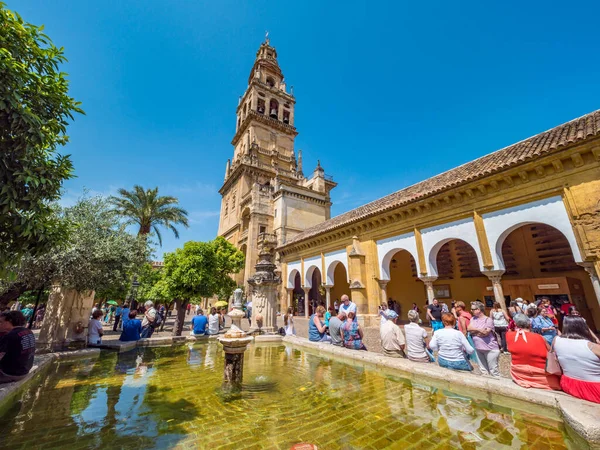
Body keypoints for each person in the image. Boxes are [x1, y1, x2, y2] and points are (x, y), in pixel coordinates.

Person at [506, 313, 560, 390]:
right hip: (543, 376)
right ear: (530, 324)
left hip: (519, 375)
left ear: (515, 324)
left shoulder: (509, 335)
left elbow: (510, 330)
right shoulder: (539, 338)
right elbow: (552, 354)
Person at [554, 316, 600, 404]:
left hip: (568, 384)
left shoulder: (556, 340)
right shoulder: (593, 347)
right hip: (595, 389)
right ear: (584, 328)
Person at [0, 311, 36, 383]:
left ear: (9, 321)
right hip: (24, 371)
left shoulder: (10, 335)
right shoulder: (28, 331)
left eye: (1, 322)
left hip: (9, 374)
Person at [468, 301, 500, 377]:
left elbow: (485, 333)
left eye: (473, 309)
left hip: (490, 348)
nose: (471, 311)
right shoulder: (472, 319)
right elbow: (469, 329)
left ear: (478, 309)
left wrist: (474, 331)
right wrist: (479, 330)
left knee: (493, 370)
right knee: (483, 370)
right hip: (478, 347)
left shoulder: (488, 320)